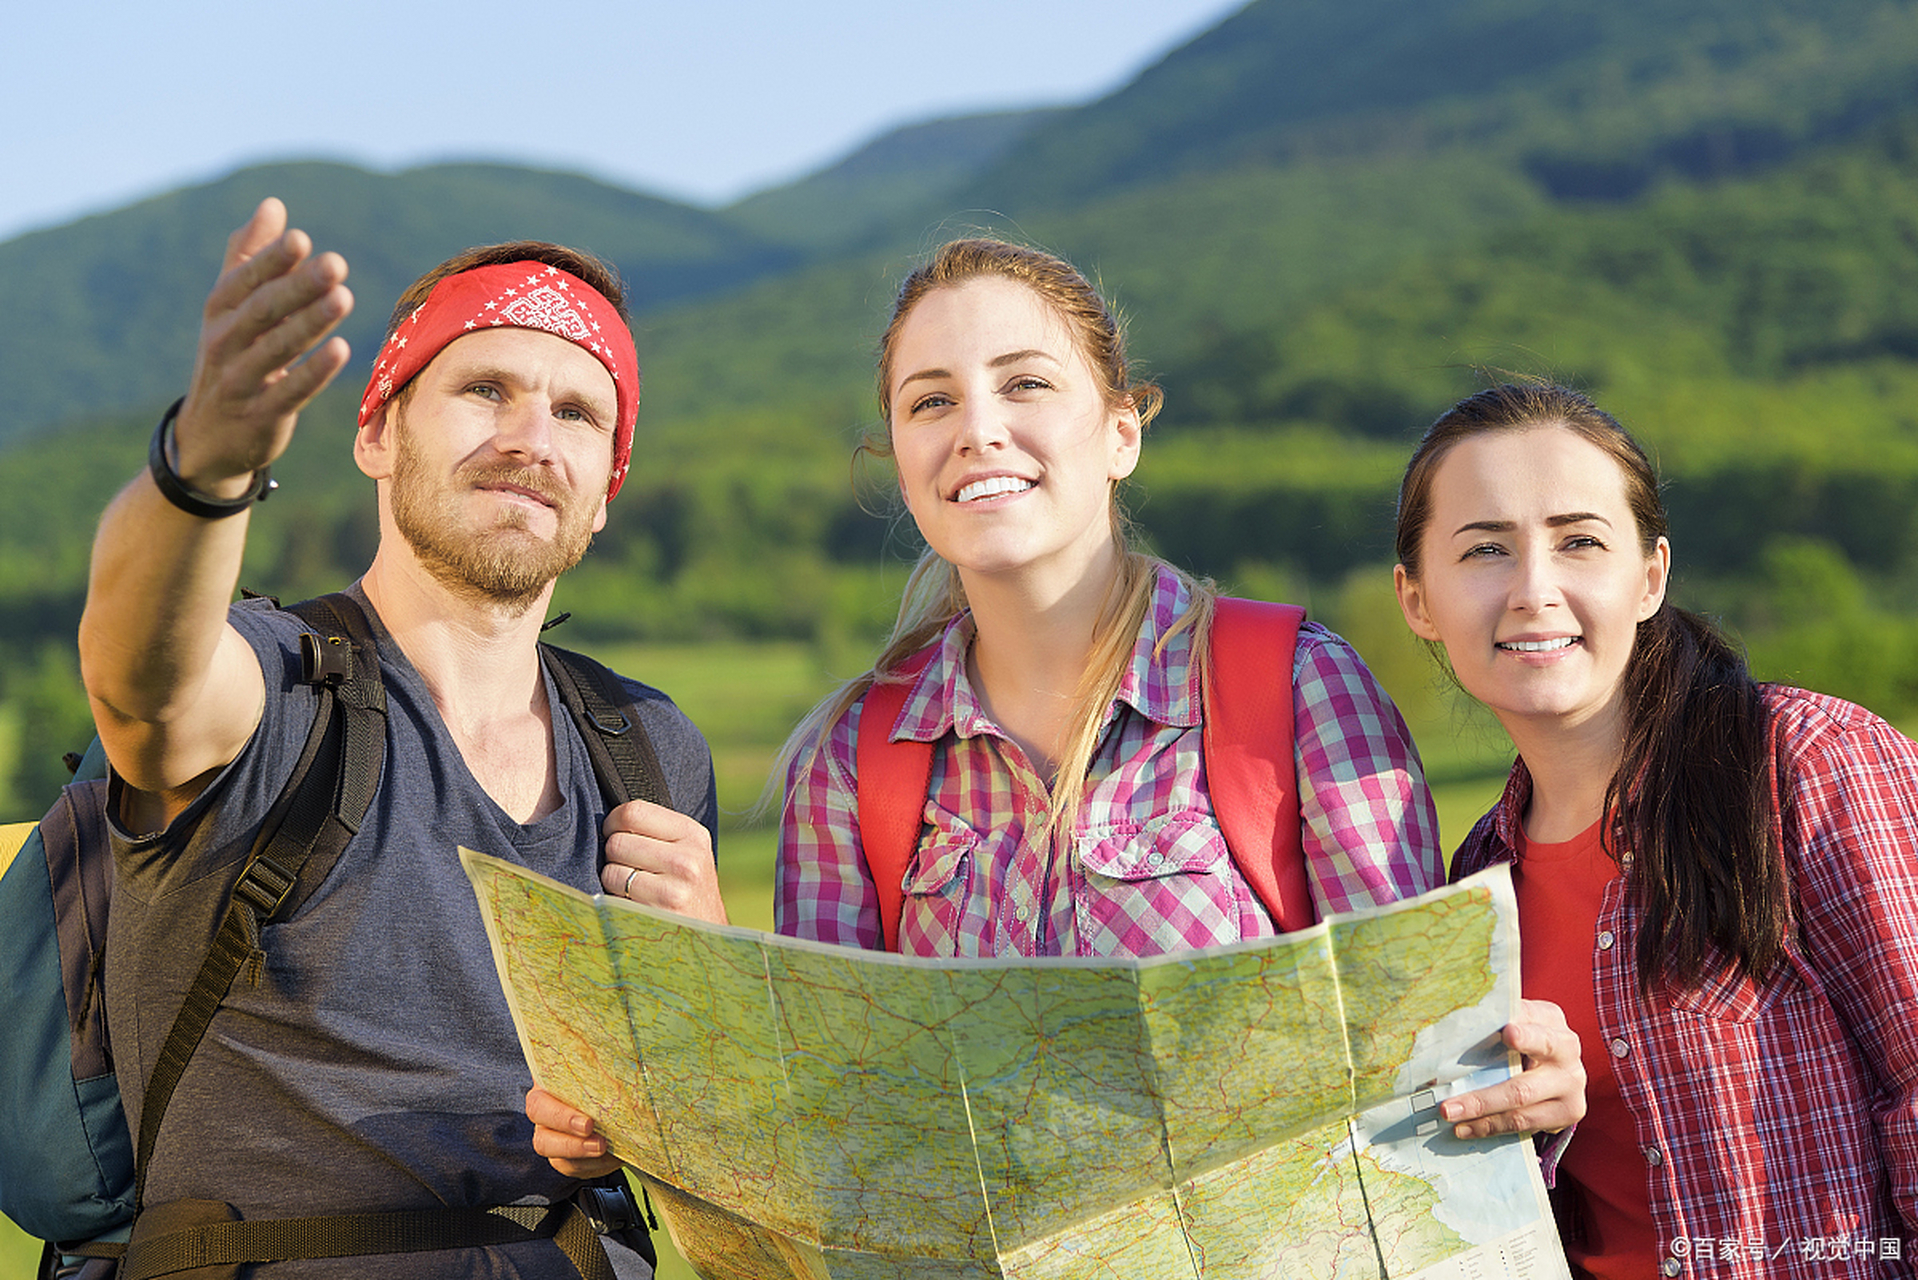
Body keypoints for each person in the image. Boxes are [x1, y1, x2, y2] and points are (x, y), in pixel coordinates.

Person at [530, 238, 1583, 1179]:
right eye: (931, 401)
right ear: (897, 459)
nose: (978, 430)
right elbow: (835, 1135)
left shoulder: (1295, 686)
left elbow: (1425, 1069)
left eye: (1024, 384)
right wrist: (692, 1025)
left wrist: (1515, 1083)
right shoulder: (854, 760)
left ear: (1120, 432)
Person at [78, 197, 725, 1277]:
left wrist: (706, 994)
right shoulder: (278, 686)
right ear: (378, 430)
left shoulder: (649, 752)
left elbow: (714, 1140)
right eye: (486, 389)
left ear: (605, 490)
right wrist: (205, 465)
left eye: (577, 412)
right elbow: (143, 677)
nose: (531, 436)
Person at [1393, 381, 1918, 1279]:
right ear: (1418, 602)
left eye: (1580, 543)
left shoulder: (1809, 763)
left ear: (1649, 577)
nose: (1533, 590)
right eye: (1485, 551)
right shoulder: (1475, 879)